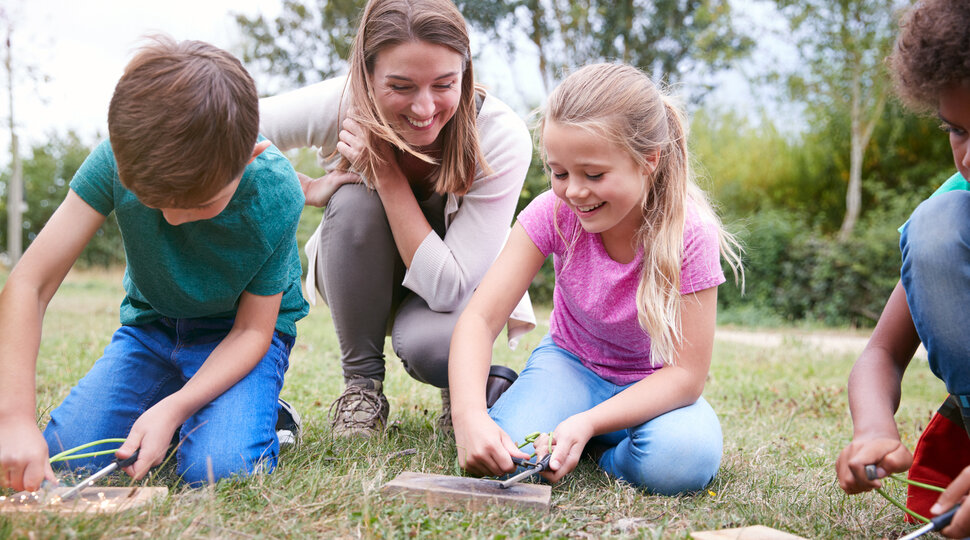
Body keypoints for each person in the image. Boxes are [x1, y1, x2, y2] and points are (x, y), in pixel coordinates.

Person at [0, 36, 309, 491]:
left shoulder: (276, 191)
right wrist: (12, 417)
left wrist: (176, 408)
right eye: (153, 201)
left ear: (250, 156)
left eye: (201, 202)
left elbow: (252, 331)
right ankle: (189, 403)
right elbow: (31, 282)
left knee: (216, 472)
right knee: (68, 458)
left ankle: (266, 415)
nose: (173, 219)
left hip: (236, 338)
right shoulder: (118, 155)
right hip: (152, 328)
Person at [449, 63, 743, 494]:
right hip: (570, 367)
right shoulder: (551, 212)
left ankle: (601, 447)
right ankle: (552, 418)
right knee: (509, 457)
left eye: (594, 174)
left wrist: (589, 422)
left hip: (653, 387)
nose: (574, 192)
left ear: (648, 161)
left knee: (683, 460)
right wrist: (469, 416)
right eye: (559, 172)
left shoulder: (691, 236)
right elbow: (480, 318)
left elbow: (685, 376)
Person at [259, 0, 535, 438]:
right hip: (363, 277)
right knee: (353, 202)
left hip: (455, 295)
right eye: (402, 86)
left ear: (466, 73)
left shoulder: (501, 136)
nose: (424, 109)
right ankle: (361, 391)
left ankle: (463, 388)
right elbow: (230, 128)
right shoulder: (343, 104)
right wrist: (299, 187)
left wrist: (385, 174)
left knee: (434, 348)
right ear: (365, 77)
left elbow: (447, 289)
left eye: (444, 84)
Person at [835, 1, 970, 536]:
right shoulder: (956, 215)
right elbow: (882, 353)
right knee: (935, 223)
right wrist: (873, 428)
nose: (968, 160)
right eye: (957, 130)